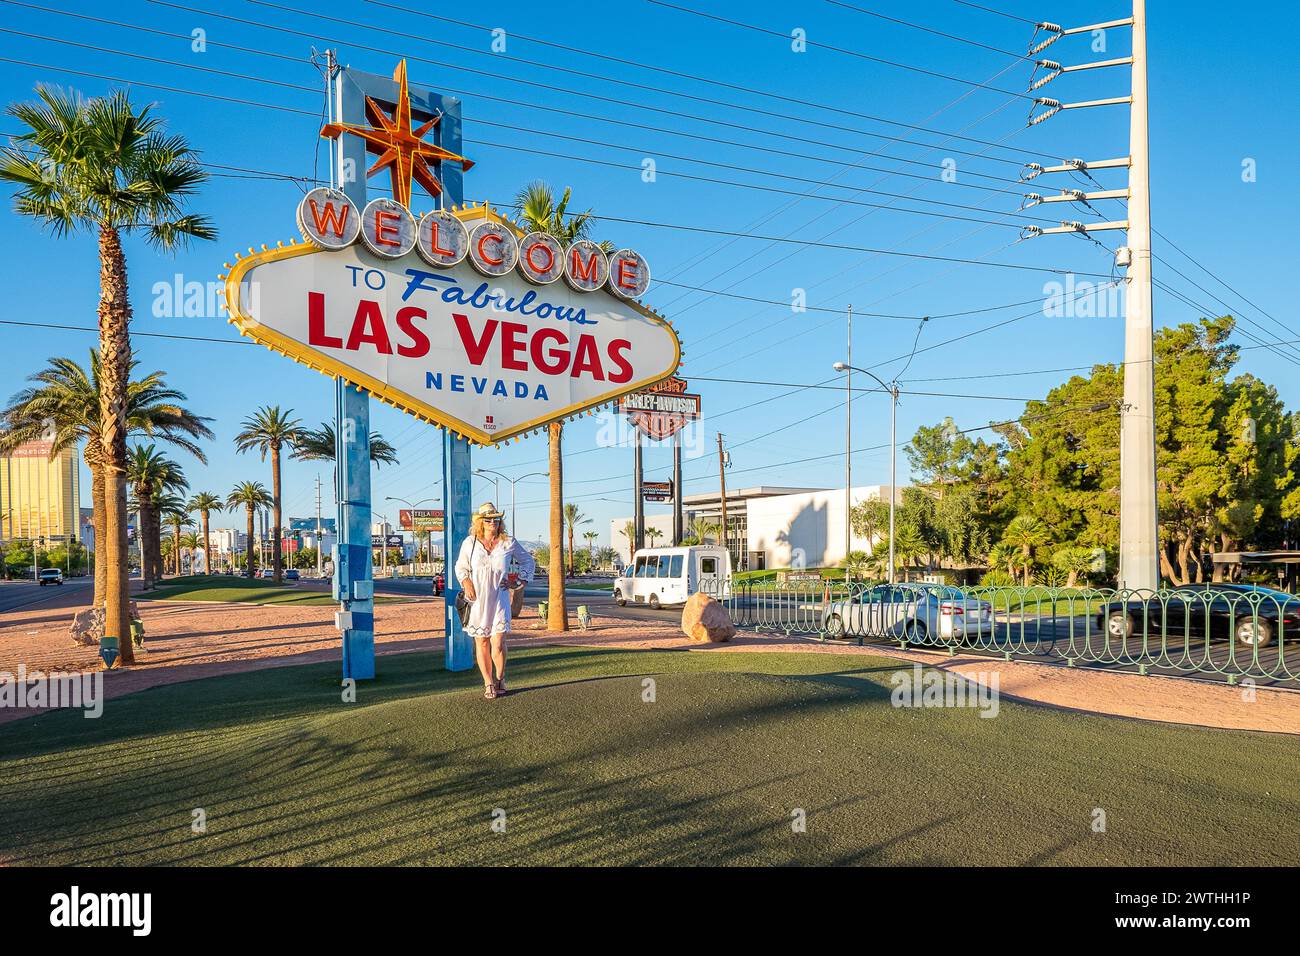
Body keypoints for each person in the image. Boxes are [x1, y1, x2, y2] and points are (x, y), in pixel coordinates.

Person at [455, 502, 535, 699]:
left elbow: (528, 560)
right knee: (481, 641)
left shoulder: (508, 543)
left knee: (498, 641)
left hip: (499, 597)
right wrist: (466, 582)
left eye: (496, 519)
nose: (493, 522)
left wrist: (519, 581)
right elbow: (460, 566)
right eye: (488, 519)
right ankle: (488, 683)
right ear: (480, 522)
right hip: (477, 599)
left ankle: (500, 677)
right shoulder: (470, 542)